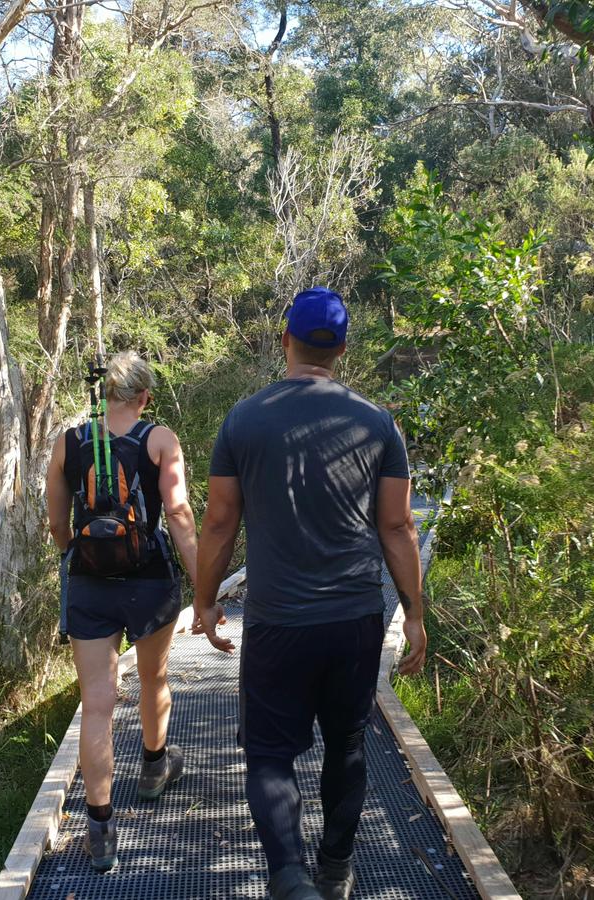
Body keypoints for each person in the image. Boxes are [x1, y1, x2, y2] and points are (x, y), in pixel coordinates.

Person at [192, 288, 427, 900]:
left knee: (271, 753)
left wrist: (206, 601)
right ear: (343, 350)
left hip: (276, 622)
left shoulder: (244, 419)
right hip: (353, 619)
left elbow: (219, 522)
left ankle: (289, 875)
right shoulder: (379, 425)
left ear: (283, 341)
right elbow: (398, 527)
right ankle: (335, 869)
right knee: (347, 744)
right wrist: (416, 615)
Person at [45, 350, 199, 871]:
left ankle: (100, 829)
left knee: (97, 702)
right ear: (144, 397)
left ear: (103, 394)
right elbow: (176, 514)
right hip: (150, 581)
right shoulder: (160, 439)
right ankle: (154, 770)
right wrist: (204, 587)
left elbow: (57, 523)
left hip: (89, 584)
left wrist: (78, 554)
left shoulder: (68, 443)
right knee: (154, 680)